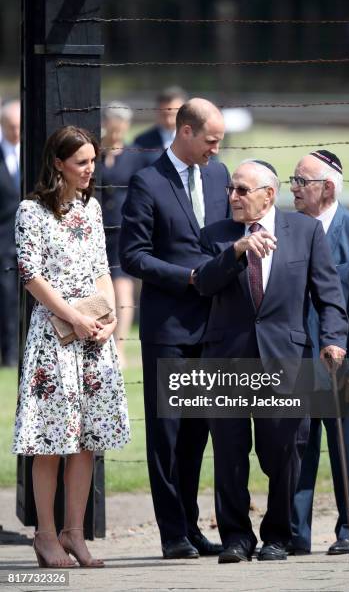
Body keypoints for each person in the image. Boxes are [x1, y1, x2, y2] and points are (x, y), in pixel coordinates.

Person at [193, 159, 348, 563]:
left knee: (283, 451)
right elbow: (203, 283)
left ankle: (278, 535)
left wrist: (333, 341)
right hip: (227, 359)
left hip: (286, 358)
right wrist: (237, 251)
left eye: (242, 190)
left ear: (269, 194)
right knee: (228, 453)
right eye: (231, 189)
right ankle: (236, 538)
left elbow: (328, 295)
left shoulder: (306, 231)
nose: (233, 197)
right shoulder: (216, 235)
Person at [13, 126, 130, 568]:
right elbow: (31, 276)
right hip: (53, 339)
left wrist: (111, 317)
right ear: (58, 163)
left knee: (86, 439)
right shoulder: (31, 211)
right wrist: (74, 317)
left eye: (93, 162)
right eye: (81, 162)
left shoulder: (92, 208)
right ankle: (44, 535)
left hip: (93, 339)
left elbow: (102, 266)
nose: (89, 170)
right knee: (50, 438)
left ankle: (74, 534)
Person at [120, 98, 229, 559]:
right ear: (185, 132)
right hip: (168, 327)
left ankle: (191, 524)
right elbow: (133, 255)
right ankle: (172, 533)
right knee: (167, 434)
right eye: (210, 140)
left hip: (214, 326)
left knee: (197, 433)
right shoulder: (148, 182)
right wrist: (185, 277)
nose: (216, 149)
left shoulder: (220, 176)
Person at [289, 150, 349, 555]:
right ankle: (295, 533)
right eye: (291, 180)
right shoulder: (288, 230)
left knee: (348, 448)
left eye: (300, 181)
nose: (292, 189)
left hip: (343, 367)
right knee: (296, 450)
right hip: (296, 363)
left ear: (326, 188)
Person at [101, 102, 142, 367]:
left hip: (122, 227)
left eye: (121, 127)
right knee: (101, 287)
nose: (117, 132)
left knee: (122, 286)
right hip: (97, 226)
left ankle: (120, 347)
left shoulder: (134, 155)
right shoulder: (94, 152)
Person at [0, 100, 20, 366]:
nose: (17, 132)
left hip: (29, 241)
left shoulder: (35, 153)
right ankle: (8, 356)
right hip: (2, 241)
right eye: (11, 127)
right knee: (5, 299)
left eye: (19, 126)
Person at [133, 86, 188, 168]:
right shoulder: (141, 142)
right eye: (164, 115)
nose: (169, 120)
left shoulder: (196, 139)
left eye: (173, 115)